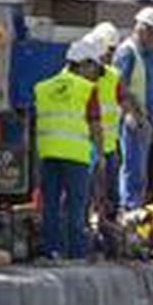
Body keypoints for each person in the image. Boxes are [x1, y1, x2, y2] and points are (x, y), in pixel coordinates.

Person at [35, 38, 105, 261]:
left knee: (51, 205)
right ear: (83, 64)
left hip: (48, 154)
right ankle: (76, 253)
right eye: (94, 67)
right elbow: (95, 125)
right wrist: (101, 155)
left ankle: (50, 251)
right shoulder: (86, 89)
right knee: (77, 205)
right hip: (75, 156)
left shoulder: (43, 87)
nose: (96, 74)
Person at [115, 6, 153, 212]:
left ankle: (135, 204)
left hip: (145, 118)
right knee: (133, 166)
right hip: (135, 119)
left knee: (140, 167)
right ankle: (129, 206)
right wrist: (131, 113)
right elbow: (119, 86)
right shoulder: (128, 52)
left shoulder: (147, 54)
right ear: (143, 29)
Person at [83, 23, 125, 245]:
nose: (110, 56)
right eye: (108, 51)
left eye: (112, 51)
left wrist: (136, 114)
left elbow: (123, 99)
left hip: (108, 145)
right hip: (85, 147)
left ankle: (108, 239)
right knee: (86, 194)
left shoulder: (113, 76)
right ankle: (85, 236)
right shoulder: (81, 75)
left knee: (110, 196)